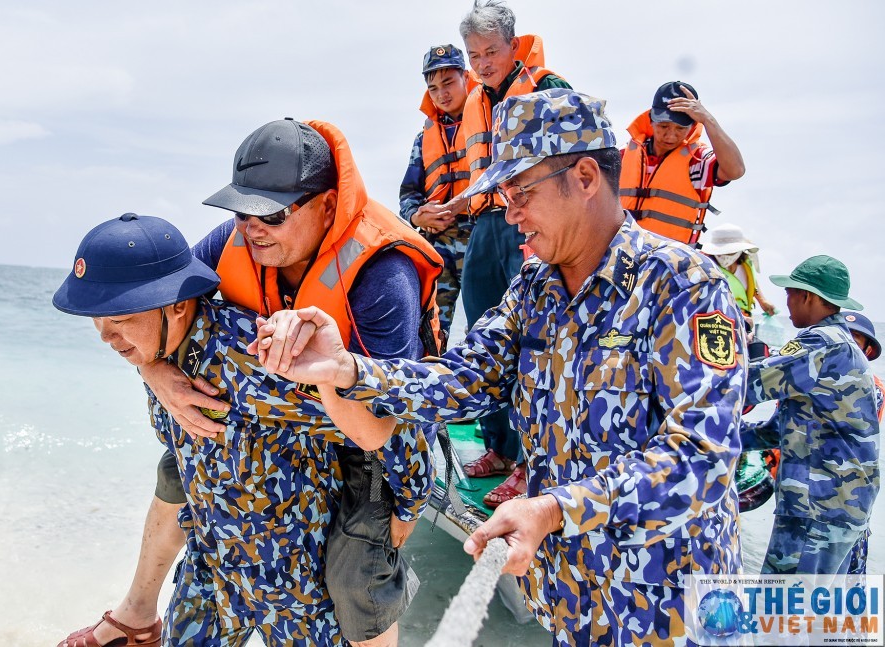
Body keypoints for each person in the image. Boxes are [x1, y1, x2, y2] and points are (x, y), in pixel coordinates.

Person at [252, 90, 746, 643]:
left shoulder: (684, 286)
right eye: (504, 194)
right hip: (569, 601)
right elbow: (461, 380)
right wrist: (348, 371)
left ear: (585, 177)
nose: (509, 213)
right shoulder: (534, 289)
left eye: (520, 191)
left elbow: (704, 456)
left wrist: (556, 509)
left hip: (667, 608)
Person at [59, 119, 442, 647]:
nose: (251, 228)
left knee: (358, 573)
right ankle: (137, 613)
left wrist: (407, 504)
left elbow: (400, 417)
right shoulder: (234, 241)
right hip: (268, 407)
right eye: (241, 211)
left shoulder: (382, 275)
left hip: (377, 413)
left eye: (273, 214)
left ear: (327, 205)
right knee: (181, 466)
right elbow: (161, 293)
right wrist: (155, 369)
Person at [439, 0, 573, 509]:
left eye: (491, 52)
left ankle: (530, 466)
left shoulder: (547, 87)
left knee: (535, 341)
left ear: (514, 46)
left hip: (531, 225)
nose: (483, 64)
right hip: (484, 226)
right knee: (484, 334)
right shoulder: (474, 100)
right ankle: (497, 448)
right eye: (474, 56)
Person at [741, 256, 880, 574]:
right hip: (837, 507)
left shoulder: (822, 343)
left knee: (780, 615)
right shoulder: (839, 345)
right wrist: (721, 440)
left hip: (816, 509)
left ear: (808, 296)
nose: (786, 302)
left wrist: (681, 372)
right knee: (812, 615)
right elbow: (776, 431)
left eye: (789, 292)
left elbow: (748, 385)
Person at [398, 43, 475, 348]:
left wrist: (462, 204)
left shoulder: (491, 123)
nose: (441, 93)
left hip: (479, 240)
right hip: (438, 246)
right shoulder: (424, 138)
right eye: (433, 88)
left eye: (448, 83)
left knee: (484, 323)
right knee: (430, 327)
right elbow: (408, 194)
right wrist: (418, 215)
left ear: (466, 78)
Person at [619, 81, 746, 245]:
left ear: (693, 127)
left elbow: (735, 170)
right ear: (651, 119)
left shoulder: (697, 160)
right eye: (664, 126)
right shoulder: (621, 156)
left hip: (669, 264)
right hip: (619, 257)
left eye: (680, 129)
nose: (670, 136)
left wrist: (708, 119)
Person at [842, 310, 882, 574]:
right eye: (845, 336)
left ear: (867, 350)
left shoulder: (872, 388)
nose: (849, 344)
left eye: (857, 339)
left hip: (849, 499)